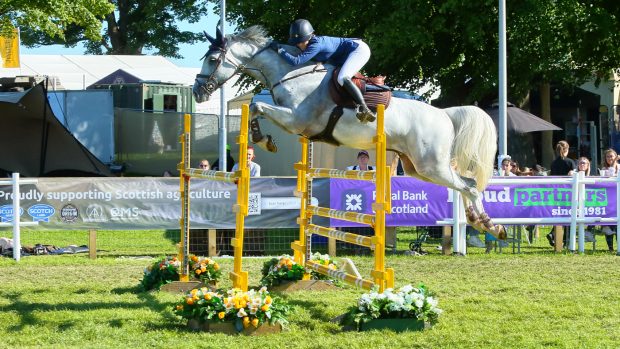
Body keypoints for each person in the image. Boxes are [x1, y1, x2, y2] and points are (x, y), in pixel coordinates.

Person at [272, 19, 375, 123]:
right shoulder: (313, 42)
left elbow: (296, 61)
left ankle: (364, 108)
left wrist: (279, 50)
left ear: (308, 37)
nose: (299, 45)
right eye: (297, 43)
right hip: (344, 55)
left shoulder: (315, 45)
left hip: (358, 50)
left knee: (342, 78)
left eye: (301, 42)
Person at [547, 141, 576, 247]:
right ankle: (565, 240)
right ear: (566, 150)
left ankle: (554, 233)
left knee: (558, 214)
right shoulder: (570, 162)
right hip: (568, 192)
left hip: (556, 192)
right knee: (568, 215)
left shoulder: (553, 163)